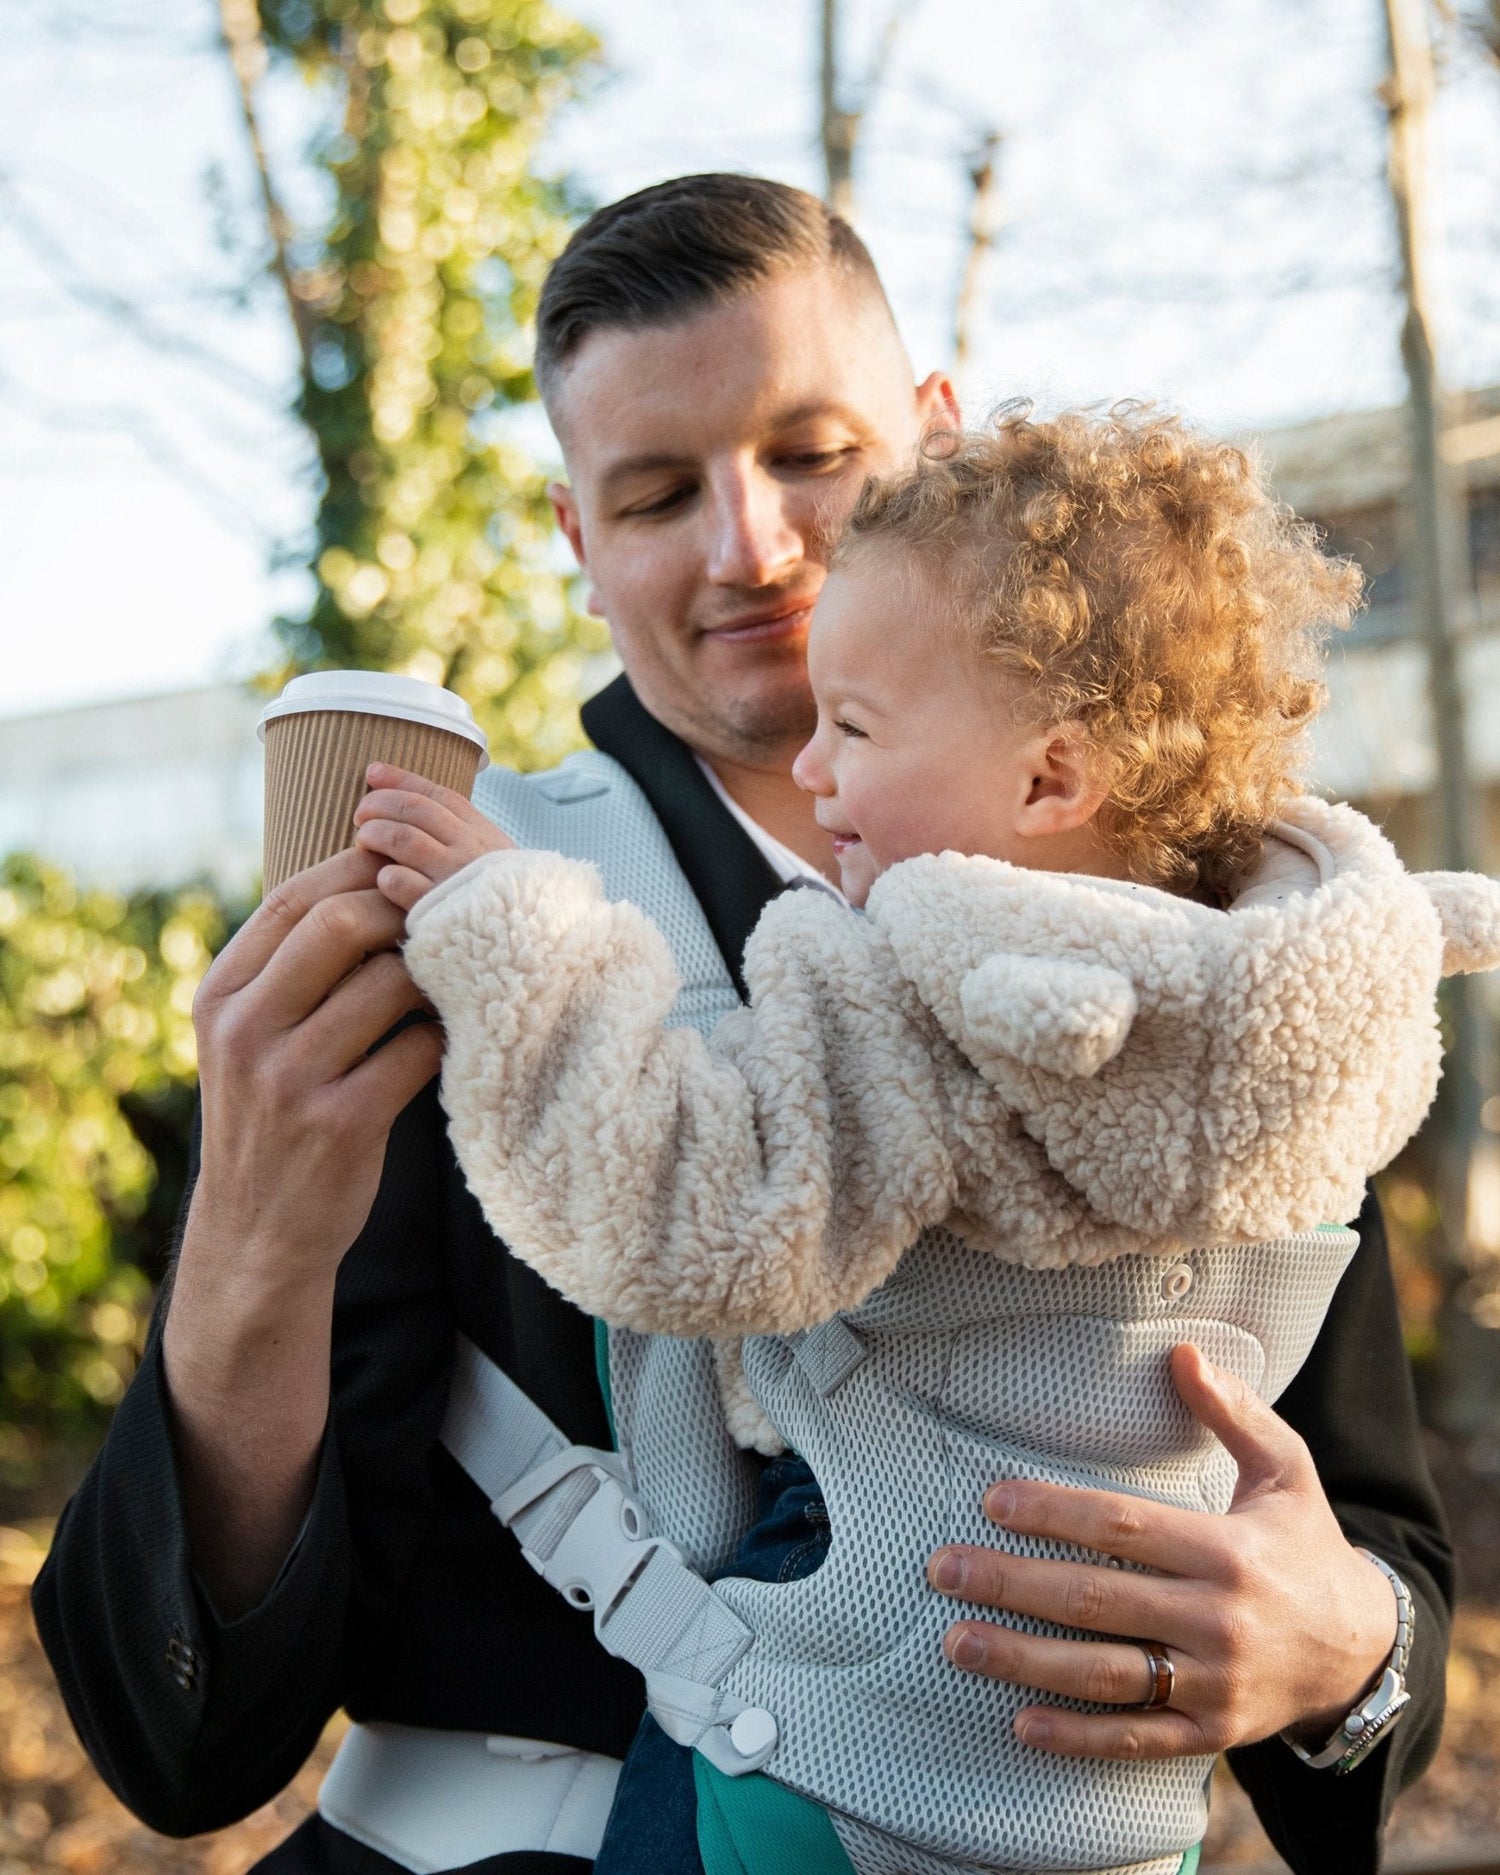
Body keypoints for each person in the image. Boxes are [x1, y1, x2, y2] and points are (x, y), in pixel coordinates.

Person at [32, 177, 1452, 1875]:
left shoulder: (1234, 941)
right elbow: (181, 1739)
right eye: (654, 494)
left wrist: (1341, 1654)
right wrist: (252, 1243)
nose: (749, 548)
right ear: (577, 544)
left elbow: (1365, 1571)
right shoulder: (431, 915)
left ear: (936, 441)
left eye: (810, 454)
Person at [359, 407, 1497, 1874]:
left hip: (823, 1764)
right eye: (655, 488)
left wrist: (513, 936)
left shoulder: (923, 993)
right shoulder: (1314, 1013)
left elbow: (674, 1219)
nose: (820, 774)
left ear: (1046, 777)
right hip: (1110, 1824)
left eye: (857, 728)